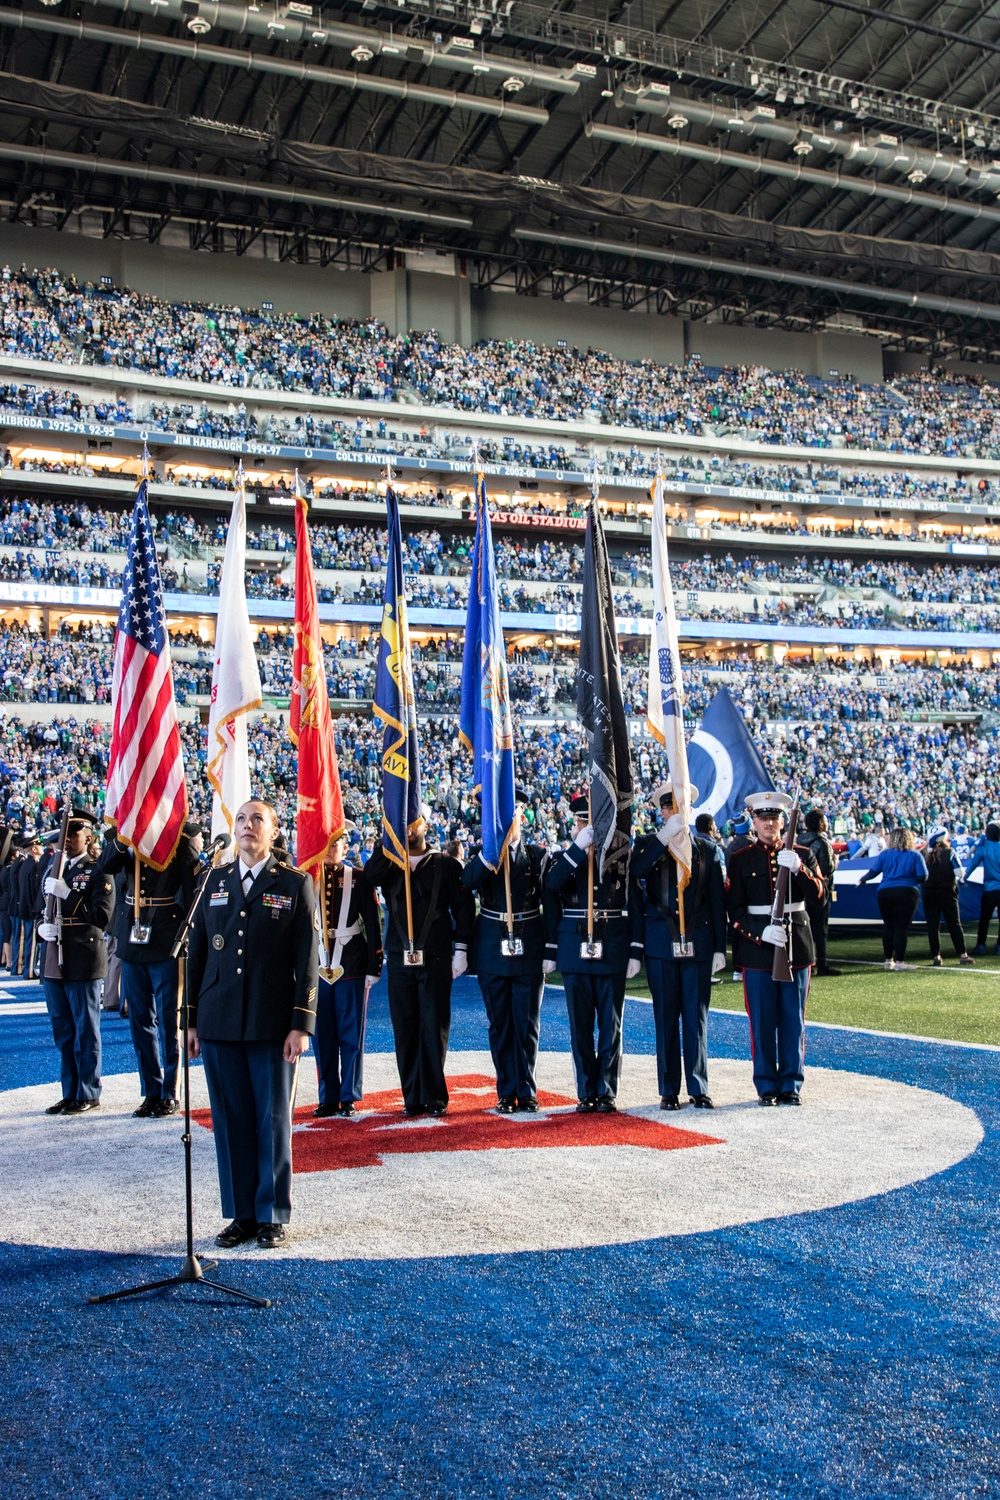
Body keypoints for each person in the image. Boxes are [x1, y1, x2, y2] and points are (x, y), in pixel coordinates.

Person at [187, 799, 318, 1250]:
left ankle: (271, 1214)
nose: (246, 826)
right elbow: (197, 953)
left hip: (271, 1021)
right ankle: (241, 1214)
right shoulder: (212, 881)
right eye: (241, 819)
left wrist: (301, 1024)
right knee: (230, 1120)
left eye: (257, 819)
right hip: (219, 1019)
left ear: (275, 832)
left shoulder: (296, 883)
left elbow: (308, 960)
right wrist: (190, 1022)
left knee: (271, 1119)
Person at [363, 806, 475, 1117]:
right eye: (404, 822)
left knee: (434, 1026)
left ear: (426, 824)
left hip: (435, 955)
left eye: (415, 822)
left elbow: (464, 909)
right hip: (399, 956)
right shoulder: (389, 862)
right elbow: (370, 877)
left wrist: (461, 949)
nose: (410, 828)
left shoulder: (446, 865)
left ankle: (435, 1097)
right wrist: (390, 842)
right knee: (405, 1027)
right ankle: (412, 1097)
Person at [543, 792, 643, 1113]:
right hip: (575, 947)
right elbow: (552, 886)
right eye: (582, 821)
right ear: (574, 824)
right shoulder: (563, 857)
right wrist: (576, 851)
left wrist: (636, 949)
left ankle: (607, 1091)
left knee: (611, 1026)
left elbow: (635, 905)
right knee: (580, 1027)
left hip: (612, 945)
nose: (587, 826)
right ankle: (586, 1091)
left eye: (593, 821)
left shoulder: (620, 858)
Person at [725, 792, 825, 1106]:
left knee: (794, 1020)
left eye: (775, 818)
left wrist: (799, 869)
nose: (770, 824)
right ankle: (767, 1084)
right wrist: (760, 932)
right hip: (757, 951)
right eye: (763, 818)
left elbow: (820, 895)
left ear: (783, 821)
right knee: (762, 1021)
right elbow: (735, 909)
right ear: (753, 821)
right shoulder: (741, 858)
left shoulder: (803, 854)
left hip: (796, 947)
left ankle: (791, 1084)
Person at [632, 780, 726, 1110]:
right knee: (666, 1019)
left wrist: (719, 947)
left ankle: (699, 1087)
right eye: (669, 807)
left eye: (680, 807)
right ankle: (669, 1089)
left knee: (696, 1019)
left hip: (698, 943)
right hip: (660, 945)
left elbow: (717, 903)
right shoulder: (647, 845)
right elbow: (637, 872)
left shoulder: (707, 849)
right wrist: (663, 839)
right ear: (662, 811)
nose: (674, 812)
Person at [98, 818, 201, 1116]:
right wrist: (122, 838)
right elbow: (105, 865)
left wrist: (186, 935)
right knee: (139, 1020)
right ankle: (151, 1089)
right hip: (132, 939)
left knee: (169, 1019)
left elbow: (194, 891)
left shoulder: (179, 844)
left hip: (166, 939)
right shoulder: (126, 842)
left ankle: (170, 1090)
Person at [462, 789, 547, 1113]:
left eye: (510, 816)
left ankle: (525, 1090)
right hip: (492, 947)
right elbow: (466, 881)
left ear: (521, 817)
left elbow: (548, 902)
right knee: (500, 1024)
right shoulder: (481, 853)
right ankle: (505, 1090)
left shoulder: (537, 855)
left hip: (528, 947)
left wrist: (550, 949)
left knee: (526, 1024)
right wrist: (489, 854)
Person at [35, 808, 115, 1115]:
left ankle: (89, 1092)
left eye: (73, 834)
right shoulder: (52, 869)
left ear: (89, 837)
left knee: (85, 1030)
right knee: (63, 1031)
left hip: (83, 956)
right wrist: (42, 929)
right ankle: (69, 1092)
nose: (66, 841)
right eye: (63, 835)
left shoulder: (98, 870)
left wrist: (68, 894)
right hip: (55, 957)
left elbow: (102, 916)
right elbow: (38, 906)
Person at [313, 821, 383, 1118]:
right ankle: (327, 1096)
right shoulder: (307, 878)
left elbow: (373, 921)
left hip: (351, 963)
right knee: (321, 1034)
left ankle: (348, 1096)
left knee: (350, 1033)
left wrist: (374, 963)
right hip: (317, 964)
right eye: (326, 843)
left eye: (336, 843)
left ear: (345, 846)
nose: (330, 849)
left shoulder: (359, 877)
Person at [858, 827, 928, 972]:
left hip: (885, 892)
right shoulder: (915, 855)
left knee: (889, 926)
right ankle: (900, 962)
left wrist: (863, 879)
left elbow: (873, 872)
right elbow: (923, 876)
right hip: (907, 892)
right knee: (901, 928)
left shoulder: (885, 855)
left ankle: (888, 961)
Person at [922, 828, 974, 968]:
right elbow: (959, 873)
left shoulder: (923, 853)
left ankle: (936, 957)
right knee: (954, 923)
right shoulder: (950, 852)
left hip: (928, 892)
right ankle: (963, 955)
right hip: (947, 892)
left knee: (932, 926)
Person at [799, 808, 840, 977]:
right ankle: (821, 963)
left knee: (804, 927)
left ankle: (805, 961)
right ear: (821, 823)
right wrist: (836, 861)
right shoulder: (822, 843)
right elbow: (826, 868)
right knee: (820, 928)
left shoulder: (799, 840)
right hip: (820, 889)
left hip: (801, 889)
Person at [965, 822, 1000, 955]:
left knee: (984, 919)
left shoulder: (984, 849)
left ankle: (981, 945)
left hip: (990, 889)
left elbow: (973, 864)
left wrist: (964, 877)